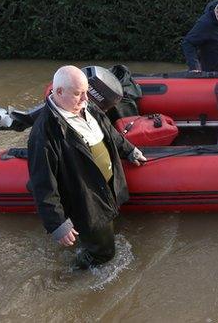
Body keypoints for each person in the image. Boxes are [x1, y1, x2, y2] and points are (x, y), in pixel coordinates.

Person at [27, 65, 148, 268]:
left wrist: (129, 150)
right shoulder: (45, 133)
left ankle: (88, 245)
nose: (85, 99)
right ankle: (72, 273)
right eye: (78, 94)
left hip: (107, 189)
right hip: (87, 201)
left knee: (104, 236)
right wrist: (57, 224)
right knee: (104, 254)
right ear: (58, 92)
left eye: (86, 92)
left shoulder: (86, 106)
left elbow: (110, 132)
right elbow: (43, 183)